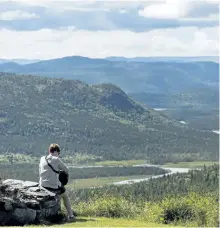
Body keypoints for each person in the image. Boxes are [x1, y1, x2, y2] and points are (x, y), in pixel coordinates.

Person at [39, 143, 76, 222]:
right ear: (56, 151)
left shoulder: (42, 158)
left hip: (42, 184)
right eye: (58, 153)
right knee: (65, 196)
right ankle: (71, 215)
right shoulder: (56, 159)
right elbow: (66, 170)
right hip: (53, 185)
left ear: (49, 151)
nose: (58, 155)